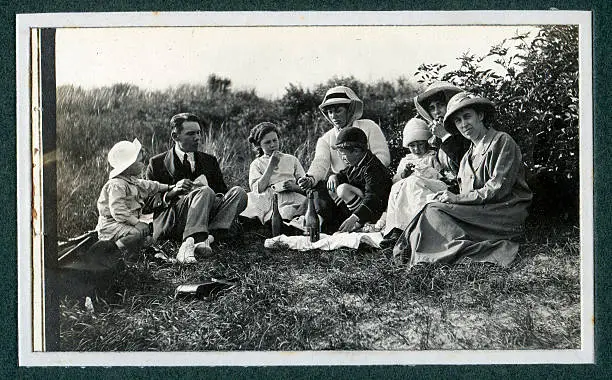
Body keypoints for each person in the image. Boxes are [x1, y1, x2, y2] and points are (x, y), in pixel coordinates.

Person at [393, 92, 533, 267]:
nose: (464, 124)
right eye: (458, 121)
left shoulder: (502, 141)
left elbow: (498, 188)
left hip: (504, 214)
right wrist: (448, 197)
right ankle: (425, 254)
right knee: (431, 208)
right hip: (480, 211)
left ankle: (430, 257)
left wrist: (456, 199)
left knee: (434, 212)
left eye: (467, 117)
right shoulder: (468, 155)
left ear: (480, 116)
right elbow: (466, 192)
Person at [144, 113, 247, 264]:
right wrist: (173, 191)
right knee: (204, 191)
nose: (197, 137)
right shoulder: (157, 163)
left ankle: (206, 239)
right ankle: (189, 243)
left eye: (198, 132)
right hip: (174, 220)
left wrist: (214, 196)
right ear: (175, 136)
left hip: (206, 214)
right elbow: (148, 202)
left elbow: (223, 192)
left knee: (239, 192)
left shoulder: (209, 161)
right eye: (191, 133)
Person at [63, 138, 172, 274]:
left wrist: (169, 187)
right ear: (129, 165)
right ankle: (112, 252)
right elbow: (118, 211)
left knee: (147, 235)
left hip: (125, 221)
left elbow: (149, 186)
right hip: (111, 225)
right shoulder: (117, 185)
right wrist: (136, 223)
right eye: (140, 161)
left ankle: (137, 253)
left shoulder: (132, 181)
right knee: (137, 232)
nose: (143, 164)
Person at [297, 85, 391, 232]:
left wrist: (358, 173)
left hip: (369, 183)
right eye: (330, 111)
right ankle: (326, 223)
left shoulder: (368, 127)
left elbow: (382, 158)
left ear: (349, 110)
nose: (334, 115)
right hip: (342, 185)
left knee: (346, 190)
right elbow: (320, 162)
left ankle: (359, 220)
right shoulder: (326, 139)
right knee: (318, 188)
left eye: (338, 110)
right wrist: (311, 178)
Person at [375, 118, 449, 244]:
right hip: (407, 193)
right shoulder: (406, 161)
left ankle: (416, 228)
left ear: (426, 142)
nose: (416, 149)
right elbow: (396, 181)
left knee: (413, 181)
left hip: (427, 187)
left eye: (420, 144)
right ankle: (396, 229)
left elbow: (440, 176)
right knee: (397, 188)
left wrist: (425, 171)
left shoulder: (432, 157)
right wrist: (404, 174)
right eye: (412, 145)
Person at [328, 127, 392, 232]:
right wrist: (333, 176)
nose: (342, 158)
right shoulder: (357, 163)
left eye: (344, 153)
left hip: (377, 209)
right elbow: (345, 174)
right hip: (366, 204)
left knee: (343, 189)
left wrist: (355, 216)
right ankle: (345, 221)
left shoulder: (372, 168)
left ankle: (361, 223)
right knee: (333, 186)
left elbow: (373, 197)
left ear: (357, 151)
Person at [240, 122, 306, 223]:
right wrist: (271, 165)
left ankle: (287, 220)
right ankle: (256, 221)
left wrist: (294, 187)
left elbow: (305, 185)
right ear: (259, 145)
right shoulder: (257, 163)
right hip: (268, 198)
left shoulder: (291, 159)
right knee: (250, 199)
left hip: (291, 196)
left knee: (290, 211)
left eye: (275, 140)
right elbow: (258, 189)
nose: (272, 145)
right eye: (267, 142)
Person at [414, 81, 470, 176]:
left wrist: (445, 136)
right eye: (432, 108)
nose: (437, 112)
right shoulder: (435, 138)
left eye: (440, 105)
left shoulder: (464, 130)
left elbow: (467, 164)